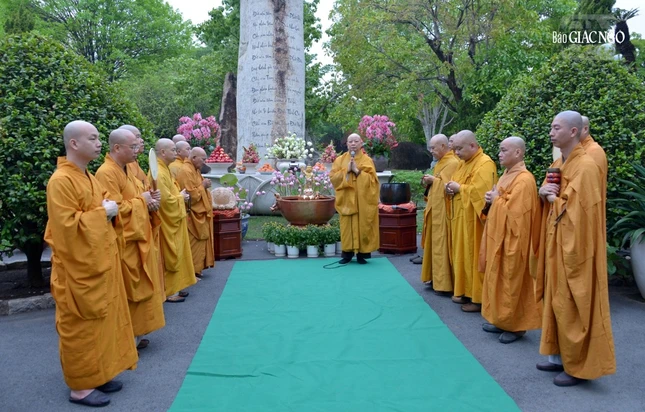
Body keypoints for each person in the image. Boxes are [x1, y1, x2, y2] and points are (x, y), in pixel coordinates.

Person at [45, 120, 138, 407]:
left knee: (103, 323)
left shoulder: (88, 177)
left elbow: (107, 203)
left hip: (99, 265)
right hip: (78, 271)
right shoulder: (60, 181)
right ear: (74, 143)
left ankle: (99, 374)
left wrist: (109, 209)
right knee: (82, 327)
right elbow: (65, 227)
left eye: (99, 138)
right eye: (93, 138)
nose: (99, 143)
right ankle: (80, 387)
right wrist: (103, 213)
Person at [531, 111, 616, 386]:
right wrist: (543, 193)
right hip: (557, 241)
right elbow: (550, 192)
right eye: (551, 127)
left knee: (573, 300)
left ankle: (578, 366)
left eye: (556, 128)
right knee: (556, 298)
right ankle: (558, 357)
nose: (551, 133)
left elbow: (579, 213)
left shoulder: (587, 166)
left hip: (576, 247)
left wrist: (552, 200)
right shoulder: (559, 162)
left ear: (573, 132)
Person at [95, 129, 166, 350]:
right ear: (117, 148)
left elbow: (137, 197)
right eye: (133, 147)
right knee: (129, 290)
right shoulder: (106, 173)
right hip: (125, 241)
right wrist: (142, 201)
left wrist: (149, 199)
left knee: (140, 287)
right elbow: (113, 210)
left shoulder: (127, 170)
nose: (137, 150)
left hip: (138, 238)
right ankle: (126, 339)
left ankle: (136, 332)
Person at [479, 137, 541, 344]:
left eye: (504, 150)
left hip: (514, 241)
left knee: (511, 282)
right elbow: (501, 202)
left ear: (518, 153)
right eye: (500, 150)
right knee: (497, 279)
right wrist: (492, 199)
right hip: (499, 237)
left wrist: (496, 200)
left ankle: (516, 326)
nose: (500, 154)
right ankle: (501, 320)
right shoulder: (507, 174)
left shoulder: (524, 180)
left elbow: (517, 216)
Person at [445, 130, 497, 312]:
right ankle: (464, 291)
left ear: (473, 146)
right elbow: (455, 182)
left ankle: (478, 298)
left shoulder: (485, 164)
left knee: (474, 257)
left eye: (459, 149)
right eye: (455, 149)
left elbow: (482, 194)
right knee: (462, 256)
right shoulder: (463, 163)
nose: (456, 153)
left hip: (474, 222)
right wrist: (450, 188)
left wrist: (460, 188)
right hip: (461, 218)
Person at [154, 138, 197, 302]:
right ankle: (170, 291)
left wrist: (179, 196)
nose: (175, 153)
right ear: (163, 152)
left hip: (175, 221)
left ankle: (177, 287)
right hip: (167, 222)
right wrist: (181, 197)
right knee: (171, 255)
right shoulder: (158, 172)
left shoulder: (164, 169)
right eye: (172, 150)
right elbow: (165, 201)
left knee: (178, 253)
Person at [330, 133, 380, 264]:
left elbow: (373, 181)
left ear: (361, 143)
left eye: (356, 141)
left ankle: (362, 254)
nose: (353, 144)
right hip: (347, 200)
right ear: (346, 144)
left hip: (362, 201)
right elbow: (333, 178)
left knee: (363, 225)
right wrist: (346, 170)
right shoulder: (340, 160)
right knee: (347, 226)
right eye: (350, 141)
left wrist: (357, 171)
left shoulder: (367, 160)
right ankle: (347, 254)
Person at [419, 134, 459, 293]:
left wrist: (433, 181)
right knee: (433, 244)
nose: (431, 151)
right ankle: (435, 278)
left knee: (442, 244)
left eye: (433, 147)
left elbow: (450, 187)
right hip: (434, 208)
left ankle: (444, 283)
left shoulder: (453, 162)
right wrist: (430, 181)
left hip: (444, 211)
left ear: (443, 146)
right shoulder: (441, 162)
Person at [176, 147, 215, 279]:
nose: (204, 162)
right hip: (192, 214)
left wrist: (203, 185)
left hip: (199, 214)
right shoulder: (186, 171)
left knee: (199, 242)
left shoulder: (195, 169)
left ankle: (196, 270)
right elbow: (191, 196)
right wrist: (203, 186)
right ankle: (190, 273)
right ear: (193, 158)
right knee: (193, 243)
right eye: (203, 159)